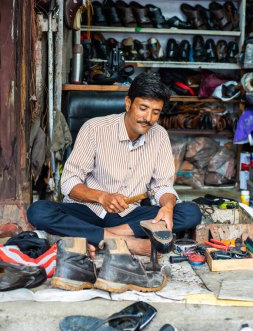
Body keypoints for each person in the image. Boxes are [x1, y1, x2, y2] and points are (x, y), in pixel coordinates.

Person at [27, 72, 202, 257]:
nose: (148, 118)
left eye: (156, 112)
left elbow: (162, 186)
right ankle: (129, 243)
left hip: (128, 217)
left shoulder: (159, 136)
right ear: (128, 103)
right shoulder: (94, 129)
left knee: (190, 212)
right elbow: (69, 182)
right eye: (143, 108)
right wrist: (102, 197)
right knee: (38, 211)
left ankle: (104, 237)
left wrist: (167, 206)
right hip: (86, 211)